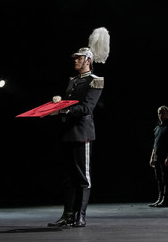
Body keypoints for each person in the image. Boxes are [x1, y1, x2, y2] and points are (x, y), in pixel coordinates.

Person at [48, 28, 110, 228]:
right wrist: (56, 106)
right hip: (68, 133)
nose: (75, 60)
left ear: (88, 60)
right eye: (75, 58)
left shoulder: (95, 81)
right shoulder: (73, 81)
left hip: (82, 134)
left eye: (79, 58)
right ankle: (67, 215)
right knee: (68, 178)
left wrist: (64, 109)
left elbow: (87, 108)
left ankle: (80, 216)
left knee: (83, 177)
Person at [149, 106, 168, 208]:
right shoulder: (157, 127)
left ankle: (165, 200)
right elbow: (155, 144)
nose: (160, 115)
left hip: (165, 155)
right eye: (159, 113)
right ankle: (159, 198)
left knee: (166, 178)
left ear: (167, 113)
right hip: (157, 155)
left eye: (162, 113)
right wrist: (152, 157)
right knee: (159, 178)